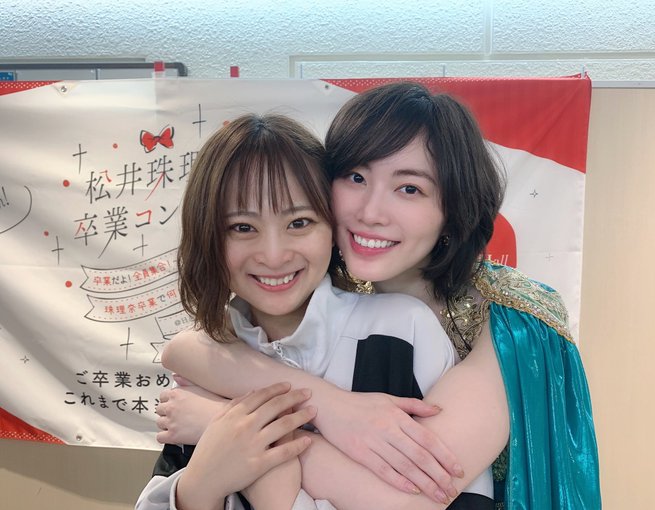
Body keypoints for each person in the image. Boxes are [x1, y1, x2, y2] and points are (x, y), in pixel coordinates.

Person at [157, 82, 601, 509]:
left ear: (453, 208)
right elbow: (187, 349)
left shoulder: (513, 319)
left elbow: (410, 499)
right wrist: (332, 407)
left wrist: (225, 429)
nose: (370, 212)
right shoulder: (333, 293)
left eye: (409, 188)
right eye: (356, 177)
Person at [136, 112, 495, 510]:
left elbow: (459, 499)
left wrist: (264, 454)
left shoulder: (403, 330)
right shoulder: (210, 357)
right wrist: (200, 486)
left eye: (299, 222)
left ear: (332, 225)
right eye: (242, 228)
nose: (273, 255)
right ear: (207, 237)